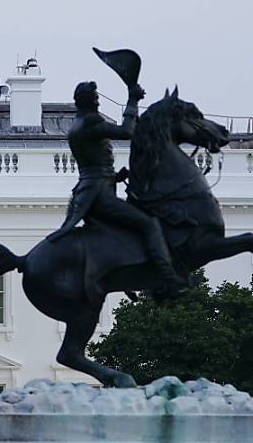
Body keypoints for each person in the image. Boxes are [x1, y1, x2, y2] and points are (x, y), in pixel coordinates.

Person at [45, 79, 183, 304]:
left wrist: (115, 177)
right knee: (149, 224)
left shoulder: (77, 124)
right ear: (90, 102)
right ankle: (168, 278)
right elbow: (127, 132)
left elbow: (92, 165)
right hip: (99, 194)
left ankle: (128, 274)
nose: (99, 101)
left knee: (126, 227)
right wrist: (132, 99)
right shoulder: (89, 122)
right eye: (97, 98)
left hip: (93, 188)